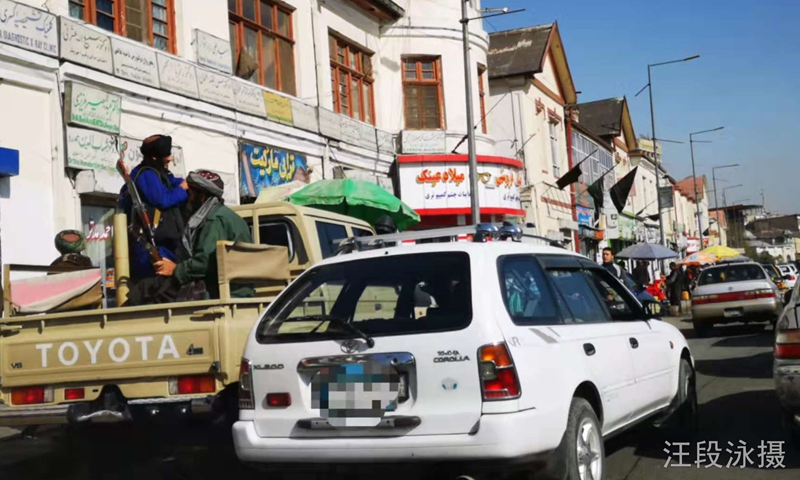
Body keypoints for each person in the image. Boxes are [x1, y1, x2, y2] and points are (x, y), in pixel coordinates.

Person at [151, 170, 254, 300]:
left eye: (190, 193)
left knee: (149, 291)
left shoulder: (214, 220)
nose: (187, 198)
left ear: (202, 197)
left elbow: (205, 262)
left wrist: (176, 270)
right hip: (232, 289)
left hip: (222, 292)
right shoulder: (226, 215)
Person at [120, 135, 188, 280]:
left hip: (165, 247)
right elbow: (163, 200)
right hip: (150, 250)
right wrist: (182, 189)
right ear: (155, 158)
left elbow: (171, 182)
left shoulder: (157, 173)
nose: (169, 159)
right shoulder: (146, 174)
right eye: (166, 155)